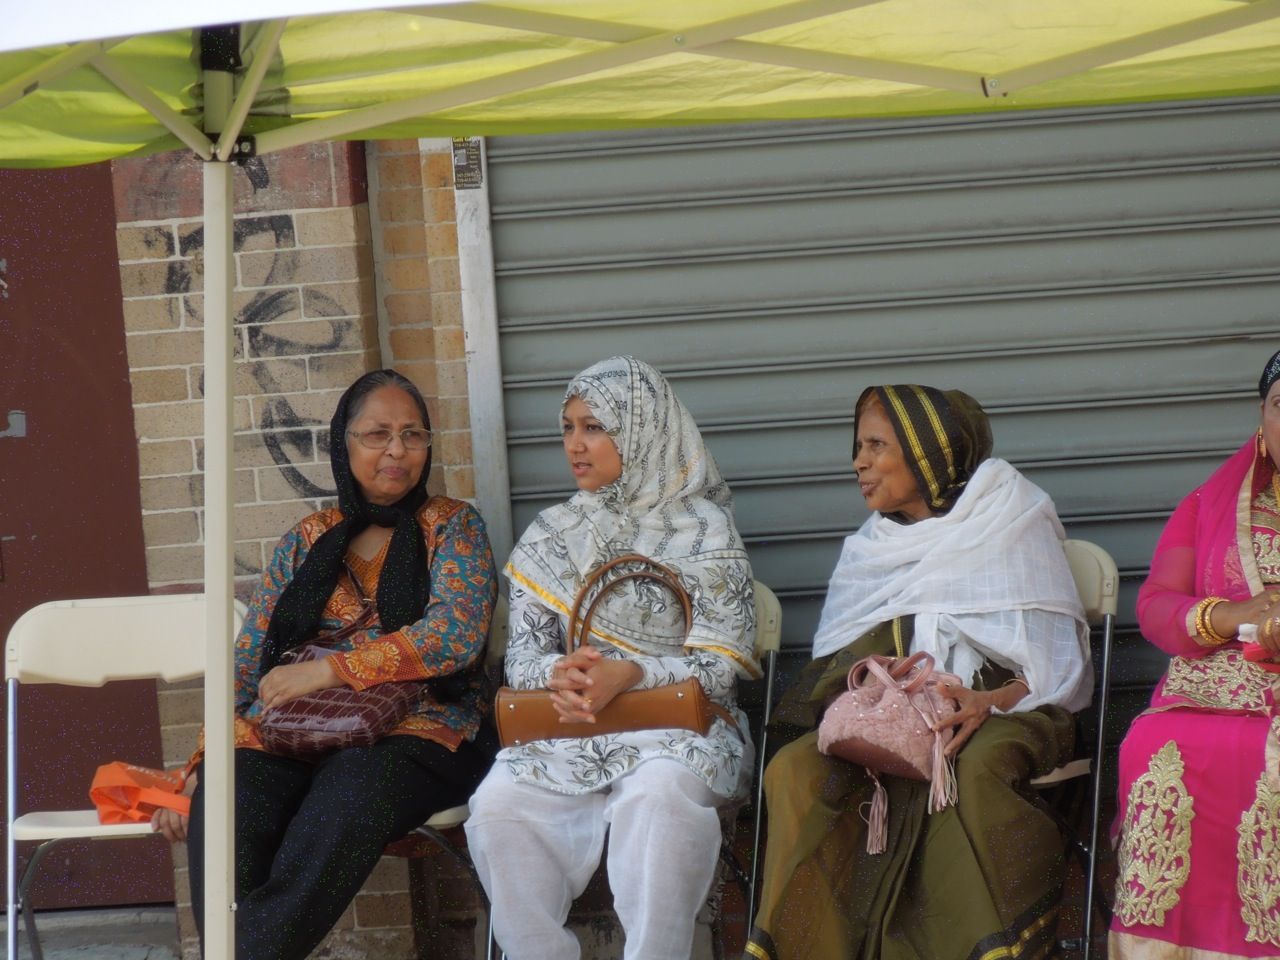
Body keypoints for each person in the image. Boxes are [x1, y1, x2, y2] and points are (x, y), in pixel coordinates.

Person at [151, 368, 498, 960]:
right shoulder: (308, 539)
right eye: (377, 434)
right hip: (296, 729)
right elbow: (247, 663)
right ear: (344, 443)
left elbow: (454, 636)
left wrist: (331, 670)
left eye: (413, 435)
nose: (397, 450)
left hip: (421, 729)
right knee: (228, 795)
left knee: (352, 787)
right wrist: (201, 760)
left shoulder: (452, 526)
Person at [745, 384, 1092, 960]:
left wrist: (986, 702)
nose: (858, 462)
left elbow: (1053, 671)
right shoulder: (868, 548)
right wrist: (872, 679)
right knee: (795, 769)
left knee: (968, 767)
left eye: (876, 446)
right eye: (858, 446)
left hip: (1004, 712)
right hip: (892, 715)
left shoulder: (1010, 518)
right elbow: (833, 667)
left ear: (929, 453)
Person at [464, 356, 759, 960]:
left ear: (643, 428)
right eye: (568, 427)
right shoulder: (551, 533)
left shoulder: (706, 532)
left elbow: (722, 667)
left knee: (660, 798)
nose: (576, 444)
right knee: (497, 806)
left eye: (595, 427)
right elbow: (521, 656)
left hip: (679, 726)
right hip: (568, 726)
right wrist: (557, 672)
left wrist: (633, 672)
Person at [1109, 348, 1280, 959]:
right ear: (1261, 418)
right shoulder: (1209, 504)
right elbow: (1156, 605)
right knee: (1156, 744)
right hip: (1216, 686)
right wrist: (1228, 616)